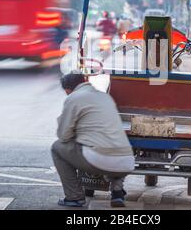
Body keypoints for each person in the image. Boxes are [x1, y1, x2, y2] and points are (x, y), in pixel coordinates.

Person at [51, 71, 135, 207]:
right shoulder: (105, 97)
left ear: (67, 90)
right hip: (126, 162)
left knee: (57, 148)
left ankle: (74, 197)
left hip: (99, 160)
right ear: (84, 80)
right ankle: (117, 192)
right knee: (112, 147)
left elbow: (63, 136)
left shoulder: (73, 98)